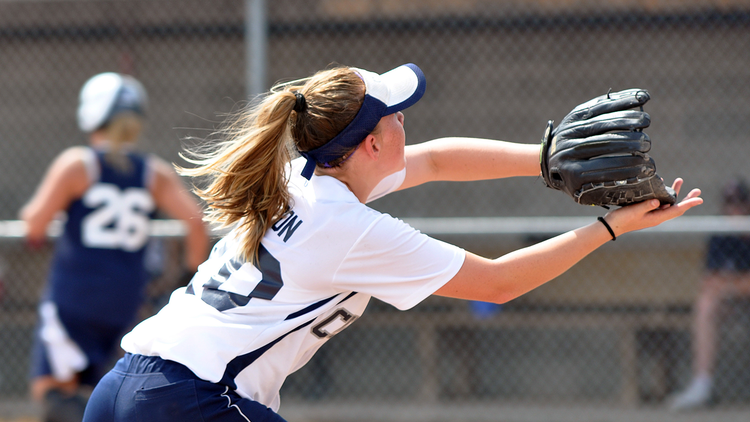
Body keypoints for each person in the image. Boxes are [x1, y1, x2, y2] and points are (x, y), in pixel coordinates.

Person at [81, 63, 702, 422]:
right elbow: (498, 283)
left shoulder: (306, 179)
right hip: (189, 399)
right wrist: (611, 228)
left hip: (124, 388)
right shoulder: (346, 228)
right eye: (396, 116)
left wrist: (544, 160)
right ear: (371, 146)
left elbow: (433, 162)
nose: (408, 123)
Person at [20, 72, 210, 422]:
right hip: (126, 298)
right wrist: (186, 277)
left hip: (75, 296)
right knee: (103, 388)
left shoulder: (78, 165)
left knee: (52, 389)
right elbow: (196, 222)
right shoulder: (153, 172)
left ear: (92, 114)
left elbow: (35, 223)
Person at [669, 177, 750, 411]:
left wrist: (729, 283)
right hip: (732, 301)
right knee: (706, 305)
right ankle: (702, 385)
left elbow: (721, 282)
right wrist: (738, 284)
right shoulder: (720, 233)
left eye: (740, 203)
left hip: (733, 294)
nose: (734, 209)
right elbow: (709, 282)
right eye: (729, 203)